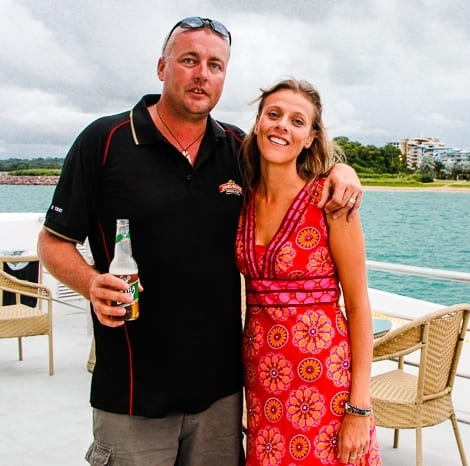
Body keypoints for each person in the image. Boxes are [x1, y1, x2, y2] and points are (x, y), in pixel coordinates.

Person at [37, 17, 362, 466]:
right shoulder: (105, 141)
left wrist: (341, 172)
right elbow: (52, 244)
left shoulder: (235, 149)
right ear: (162, 66)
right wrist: (91, 283)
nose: (201, 74)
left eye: (215, 65)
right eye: (189, 60)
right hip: (132, 392)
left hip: (221, 399)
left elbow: (291, 162)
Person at [236, 78, 380, 465]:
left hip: (324, 383)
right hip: (263, 385)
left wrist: (359, 408)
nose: (282, 125)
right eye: (274, 114)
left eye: (297, 121)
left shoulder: (330, 202)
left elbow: (359, 306)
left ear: (310, 137)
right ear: (258, 123)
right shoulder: (242, 200)